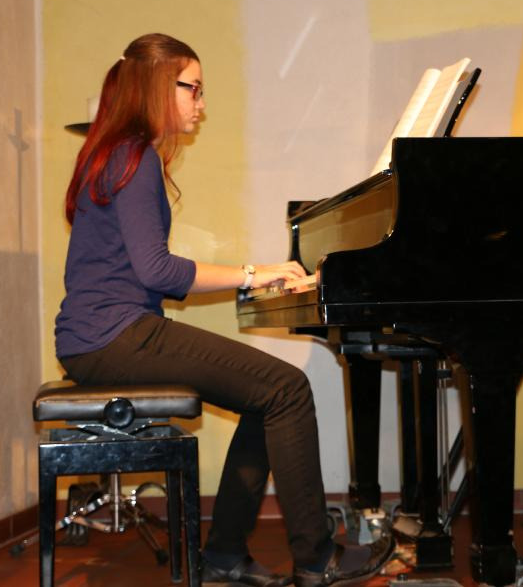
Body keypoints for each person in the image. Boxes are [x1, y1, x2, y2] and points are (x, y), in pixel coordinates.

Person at [55, 33, 394, 587]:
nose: (201, 103)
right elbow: (157, 271)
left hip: (98, 337)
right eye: (193, 88)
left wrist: (253, 276)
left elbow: (144, 272)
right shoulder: (134, 156)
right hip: (114, 336)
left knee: (267, 397)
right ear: (159, 86)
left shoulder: (117, 153)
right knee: (288, 388)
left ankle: (226, 555)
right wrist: (254, 273)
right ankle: (317, 559)